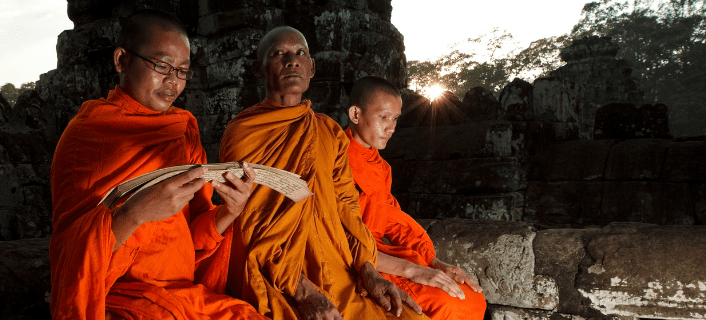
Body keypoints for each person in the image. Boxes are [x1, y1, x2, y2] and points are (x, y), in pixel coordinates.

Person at [49, 9, 266, 320]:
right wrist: (135, 212)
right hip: (119, 298)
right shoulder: (88, 136)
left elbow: (194, 236)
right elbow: (72, 252)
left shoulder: (182, 130)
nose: (172, 82)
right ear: (122, 60)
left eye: (182, 71)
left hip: (184, 295)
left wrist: (229, 210)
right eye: (162, 65)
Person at [219, 26, 428, 320]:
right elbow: (254, 222)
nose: (292, 60)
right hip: (282, 274)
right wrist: (303, 291)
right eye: (279, 53)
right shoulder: (245, 133)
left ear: (312, 68)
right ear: (259, 69)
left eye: (300, 53)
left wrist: (369, 270)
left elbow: (347, 207)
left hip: (340, 264)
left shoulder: (328, 131)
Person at [344, 76, 487, 320]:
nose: (391, 128)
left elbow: (395, 220)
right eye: (383, 117)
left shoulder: (381, 168)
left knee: (473, 299)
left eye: (395, 119)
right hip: (355, 259)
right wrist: (410, 270)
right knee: (449, 305)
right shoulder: (335, 157)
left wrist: (434, 262)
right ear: (356, 114)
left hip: (381, 254)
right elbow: (333, 233)